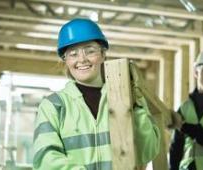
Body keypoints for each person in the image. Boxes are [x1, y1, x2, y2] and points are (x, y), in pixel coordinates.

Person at [33, 18, 160, 170]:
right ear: (65, 60)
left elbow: (148, 151)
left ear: (103, 54)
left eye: (90, 51)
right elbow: (45, 160)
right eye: (73, 54)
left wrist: (136, 102)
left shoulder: (125, 98)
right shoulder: (53, 106)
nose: (82, 59)